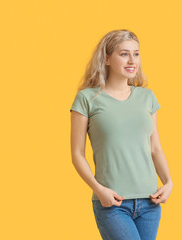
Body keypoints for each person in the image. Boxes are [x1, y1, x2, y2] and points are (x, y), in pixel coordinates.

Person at [70, 29, 173, 240]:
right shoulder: (87, 99)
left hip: (150, 202)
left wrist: (168, 181)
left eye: (136, 53)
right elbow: (77, 154)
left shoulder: (147, 97)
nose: (132, 60)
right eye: (124, 53)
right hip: (113, 202)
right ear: (106, 58)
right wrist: (99, 190)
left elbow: (155, 148)